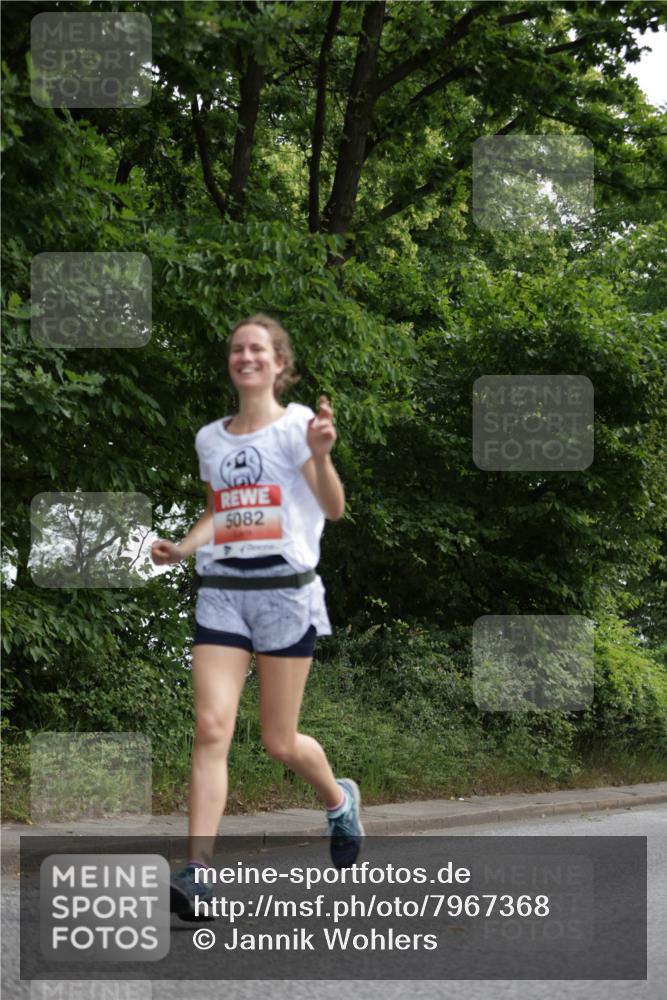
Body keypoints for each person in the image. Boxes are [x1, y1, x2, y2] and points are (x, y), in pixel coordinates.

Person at [151, 312, 364, 921]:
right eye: (238, 349)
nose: (246, 356)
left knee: (277, 740)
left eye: (259, 349)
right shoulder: (210, 439)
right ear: (232, 362)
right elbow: (223, 509)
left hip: (285, 594)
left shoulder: (298, 427)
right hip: (221, 591)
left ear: (279, 363)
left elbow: (335, 507)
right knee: (212, 726)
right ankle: (198, 874)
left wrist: (321, 457)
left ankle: (338, 797)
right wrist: (183, 548)